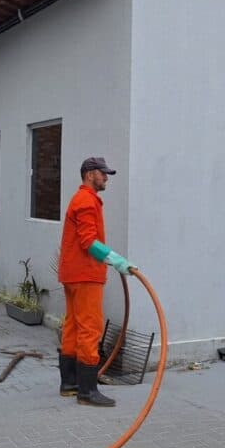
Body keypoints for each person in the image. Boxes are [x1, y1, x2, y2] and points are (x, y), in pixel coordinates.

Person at [57, 157, 135, 407]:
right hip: (85, 274)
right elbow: (88, 241)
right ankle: (87, 392)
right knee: (90, 328)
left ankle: (70, 383)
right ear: (90, 174)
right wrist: (115, 259)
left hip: (73, 274)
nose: (107, 178)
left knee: (73, 326)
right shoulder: (87, 202)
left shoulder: (80, 199)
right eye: (103, 173)